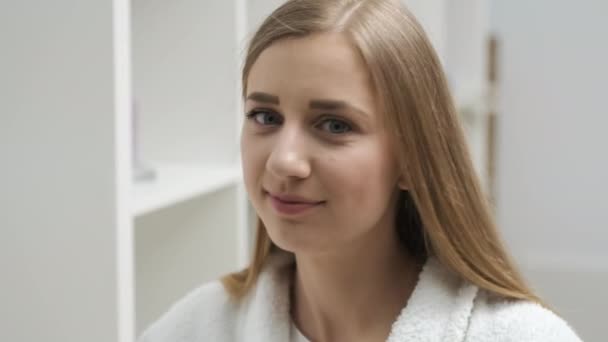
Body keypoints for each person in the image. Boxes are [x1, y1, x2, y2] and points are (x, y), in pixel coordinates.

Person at [138, 0, 582, 341]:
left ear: (412, 157)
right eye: (265, 117)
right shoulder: (194, 328)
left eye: (334, 125)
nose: (283, 160)